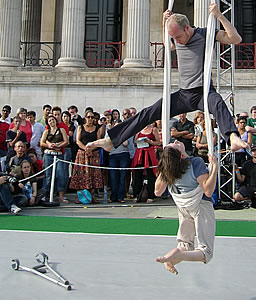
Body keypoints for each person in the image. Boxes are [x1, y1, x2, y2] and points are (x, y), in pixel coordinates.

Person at [86, 3, 248, 154]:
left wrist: (219, 16)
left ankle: (232, 137)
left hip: (203, 92)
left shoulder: (205, 34)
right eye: (174, 38)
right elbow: (167, 44)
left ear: (187, 28)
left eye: (177, 37)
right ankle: (111, 140)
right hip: (184, 95)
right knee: (147, 113)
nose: (176, 42)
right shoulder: (176, 39)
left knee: (218, 103)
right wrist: (164, 23)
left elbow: (236, 39)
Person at [154, 140, 218, 275]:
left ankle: (170, 258)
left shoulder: (170, 171)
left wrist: (165, 167)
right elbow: (208, 191)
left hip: (184, 208)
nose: (176, 141)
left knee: (185, 245)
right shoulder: (195, 162)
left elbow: (157, 191)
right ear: (181, 156)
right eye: (175, 145)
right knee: (206, 252)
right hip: (200, 206)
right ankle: (178, 256)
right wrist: (215, 168)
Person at [69, 111, 103, 203]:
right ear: (85, 118)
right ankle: (80, 196)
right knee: (81, 174)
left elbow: (99, 141)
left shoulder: (97, 129)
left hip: (93, 154)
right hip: (82, 154)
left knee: (93, 174)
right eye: (89, 117)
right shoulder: (81, 128)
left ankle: (91, 196)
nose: (91, 119)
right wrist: (86, 149)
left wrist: (91, 149)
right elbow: (78, 141)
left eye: (92, 117)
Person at [40, 115, 69, 203]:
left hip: (58, 154)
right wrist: (49, 145)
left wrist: (59, 145)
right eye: (49, 121)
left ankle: (60, 196)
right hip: (48, 154)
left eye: (53, 120)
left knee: (60, 174)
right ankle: (45, 194)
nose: (51, 122)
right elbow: (42, 142)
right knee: (48, 175)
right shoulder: (46, 131)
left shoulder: (61, 130)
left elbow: (66, 141)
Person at [131, 124, 161, 203]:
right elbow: (134, 143)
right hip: (140, 153)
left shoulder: (153, 129)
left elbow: (158, 142)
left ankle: (151, 195)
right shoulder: (139, 129)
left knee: (150, 174)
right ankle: (137, 194)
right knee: (137, 174)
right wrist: (138, 141)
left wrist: (150, 141)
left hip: (149, 153)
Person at [61, 111, 76, 192]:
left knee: (65, 169)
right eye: (64, 116)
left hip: (67, 148)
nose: (65, 118)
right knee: (61, 169)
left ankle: (65, 188)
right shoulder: (60, 126)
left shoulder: (72, 126)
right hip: (60, 149)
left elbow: (70, 135)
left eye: (67, 116)